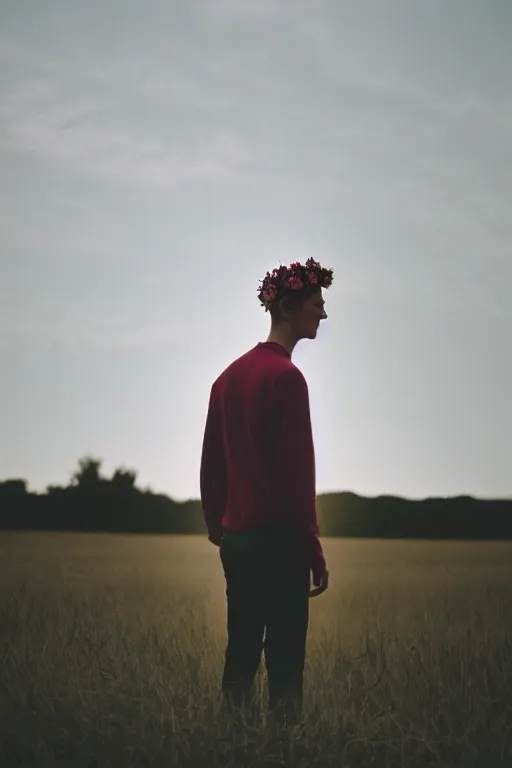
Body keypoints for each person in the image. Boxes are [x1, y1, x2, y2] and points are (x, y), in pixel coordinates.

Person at [200, 258, 333, 728]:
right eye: (318, 305)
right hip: (280, 545)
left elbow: (211, 464)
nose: (323, 314)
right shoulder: (288, 379)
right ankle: (281, 754)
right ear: (292, 306)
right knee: (284, 667)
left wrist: (220, 528)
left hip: (237, 541)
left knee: (239, 657)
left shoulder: (227, 378)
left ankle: (230, 749)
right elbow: (299, 476)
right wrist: (311, 546)